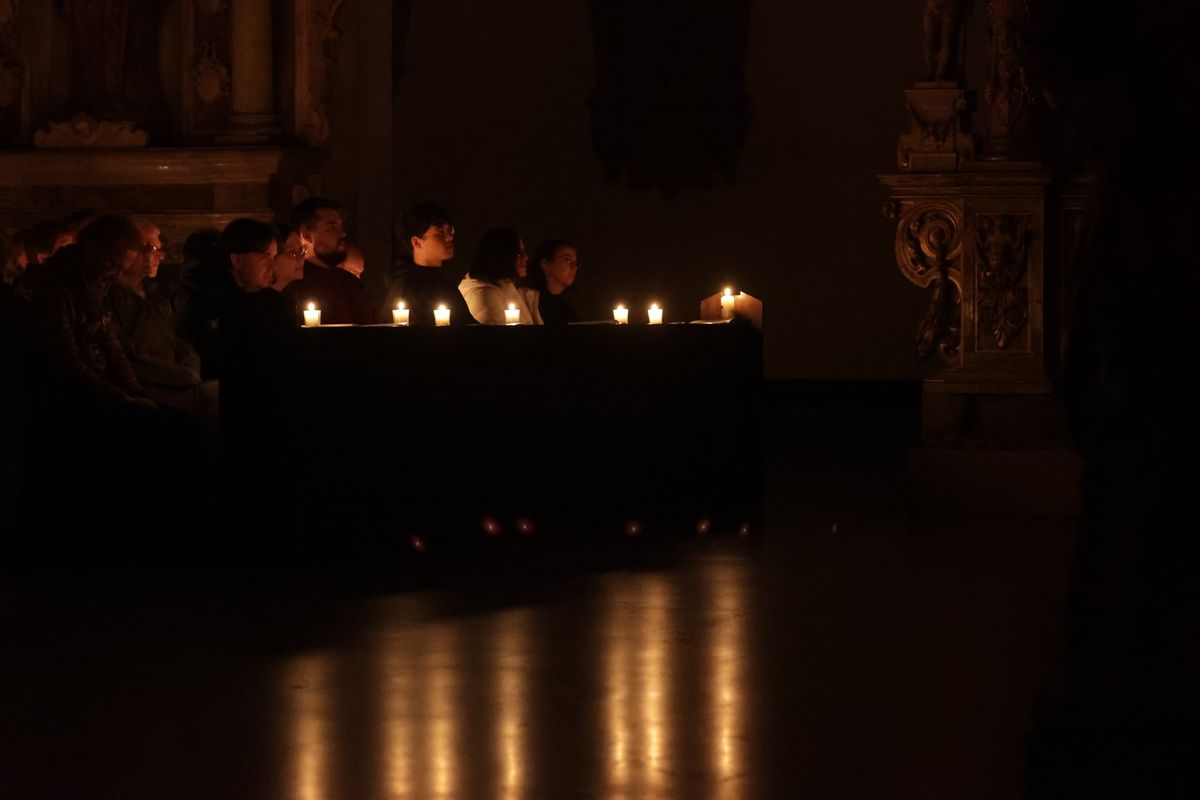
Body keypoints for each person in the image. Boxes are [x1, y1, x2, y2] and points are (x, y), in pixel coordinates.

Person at [107, 218, 207, 415]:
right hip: (150, 398)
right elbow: (127, 359)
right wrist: (180, 376)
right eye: (152, 247)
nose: (159, 256)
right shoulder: (108, 300)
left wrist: (190, 370)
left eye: (158, 249)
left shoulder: (158, 294)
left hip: (182, 386)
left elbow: (178, 340)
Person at [284, 197, 375, 325]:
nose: (342, 233)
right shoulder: (295, 285)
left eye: (341, 226)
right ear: (307, 235)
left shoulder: (352, 282)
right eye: (332, 227)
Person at [382, 201, 473, 326]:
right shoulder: (407, 287)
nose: (449, 237)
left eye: (450, 230)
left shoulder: (443, 282)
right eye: (440, 232)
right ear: (417, 242)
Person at [459, 227, 542, 325]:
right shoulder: (483, 295)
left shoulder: (510, 289)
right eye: (519, 254)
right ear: (503, 257)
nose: (526, 257)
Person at [525, 240, 580, 326]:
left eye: (575, 263)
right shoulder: (532, 303)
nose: (575, 267)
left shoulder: (565, 309)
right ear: (545, 264)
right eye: (567, 260)